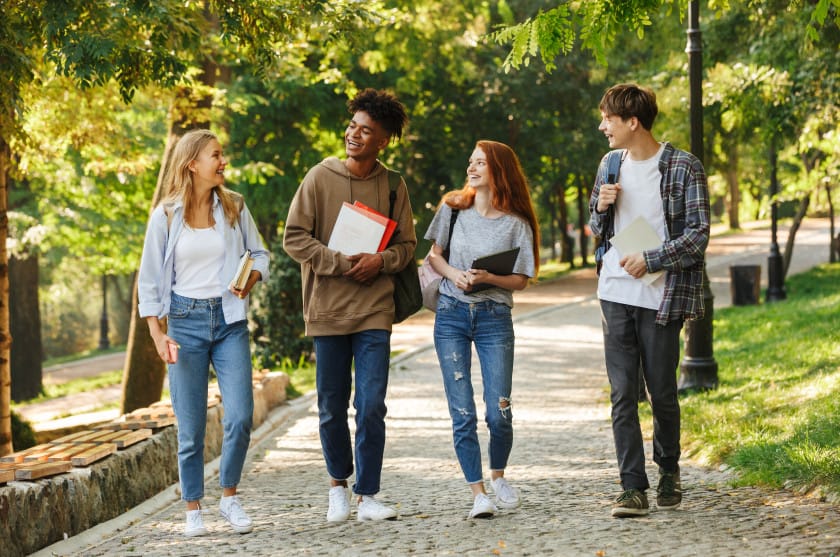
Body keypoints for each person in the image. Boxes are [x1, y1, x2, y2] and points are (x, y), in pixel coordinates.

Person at [283, 88, 414, 522]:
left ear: (383, 141)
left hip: (375, 309)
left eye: (366, 131)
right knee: (331, 407)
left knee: (372, 404)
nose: (354, 135)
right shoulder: (319, 177)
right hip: (327, 310)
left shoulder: (393, 186)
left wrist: (380, 261)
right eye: (352, 126)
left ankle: (368, 495)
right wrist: (340, 263)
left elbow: (407, 247)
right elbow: (294, 238)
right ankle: (337, 484)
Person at [138, 129, 269, 536]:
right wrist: (157, 334)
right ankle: (193, 506)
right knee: (191, 426)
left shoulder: (234, 206)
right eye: (216, 155)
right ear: (192, 163)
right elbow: (149, 280)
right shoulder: (165, 216)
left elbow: (260, 253)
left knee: (241, 416)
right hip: (184, 323)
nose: (223, 161)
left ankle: (229, 497)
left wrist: (250, 279)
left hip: (229, 322)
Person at [588, 83, 710, 518]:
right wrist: (600, 209)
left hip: (662, 295)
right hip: (614, 291)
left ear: (633, 122)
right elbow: (596, 229)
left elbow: (698, 234)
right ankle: (632, 487)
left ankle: (669, 470)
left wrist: (652, 258)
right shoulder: (609, 164)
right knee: (623, 392)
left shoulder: (683, 166)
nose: (602, 127)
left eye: (608, 119)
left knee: (661, 391)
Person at [424, 140, 539, 519]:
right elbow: (434, 257)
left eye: (479, 163)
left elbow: (521, 279)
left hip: (494, 318)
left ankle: (499, 475)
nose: (471, 168)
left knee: (499, 411)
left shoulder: (516, 223)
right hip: (451, 315)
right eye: (470, 162)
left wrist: (488, 277)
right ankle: (478, 493)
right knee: (462, 412)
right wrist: (455, 274)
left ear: (498, 170)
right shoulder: (453, 208)